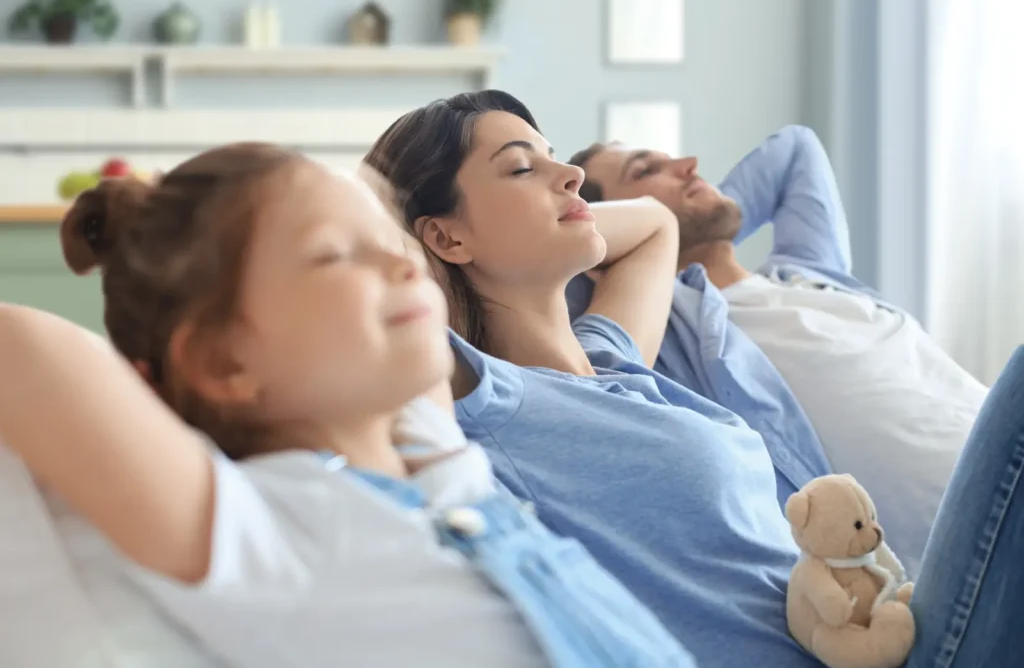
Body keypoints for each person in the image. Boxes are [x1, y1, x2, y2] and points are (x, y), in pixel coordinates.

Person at [365, 88, 1024, 668]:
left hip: (885, 638)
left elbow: (654, 225)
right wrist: (407, 236)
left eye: (555, 154)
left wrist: (540, 200)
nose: (568, 175)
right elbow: (362, 292)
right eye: (519, 166)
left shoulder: (614, 358)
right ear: (445, 240)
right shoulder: (479, 401)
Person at [0, 143, 698, 668]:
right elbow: (24, 346)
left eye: (390, 243)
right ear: (222, 361)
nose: (402, 264)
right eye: (337, 254)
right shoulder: (273, 531)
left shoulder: (438, 458)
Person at [566, 127, 988, 577]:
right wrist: (656, 238)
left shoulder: (808, 273)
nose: (688, 164)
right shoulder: (678, 326)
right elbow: (543, 262)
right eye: (647, 169)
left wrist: (699, 214)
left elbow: (796, 149)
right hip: (970, 554)